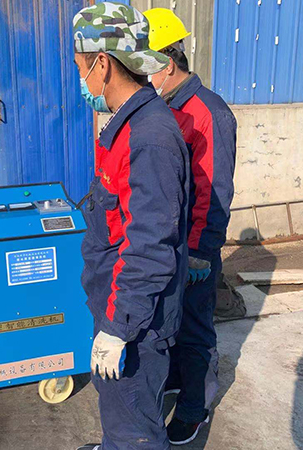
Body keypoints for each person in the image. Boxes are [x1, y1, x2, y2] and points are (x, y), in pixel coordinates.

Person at [72, 3, 190, 449]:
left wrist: (119, 327)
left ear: (102, 64)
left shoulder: (149, 136)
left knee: (135, 426)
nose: (81, 78)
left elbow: (150, 245)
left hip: (137, 320)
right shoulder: (127, 125)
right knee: (120, 411)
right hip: (118, 303)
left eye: (80, 67)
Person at [143, 7, 238, 445]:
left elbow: (215, 190)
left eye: (144, 66)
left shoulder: (208, 112)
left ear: (167, 63)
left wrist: (201, 249)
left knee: (196, 327)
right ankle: (180, 382)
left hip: (194, 244)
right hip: (169, 242)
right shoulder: (165, 107)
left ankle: (194, 408)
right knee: (173, 320)